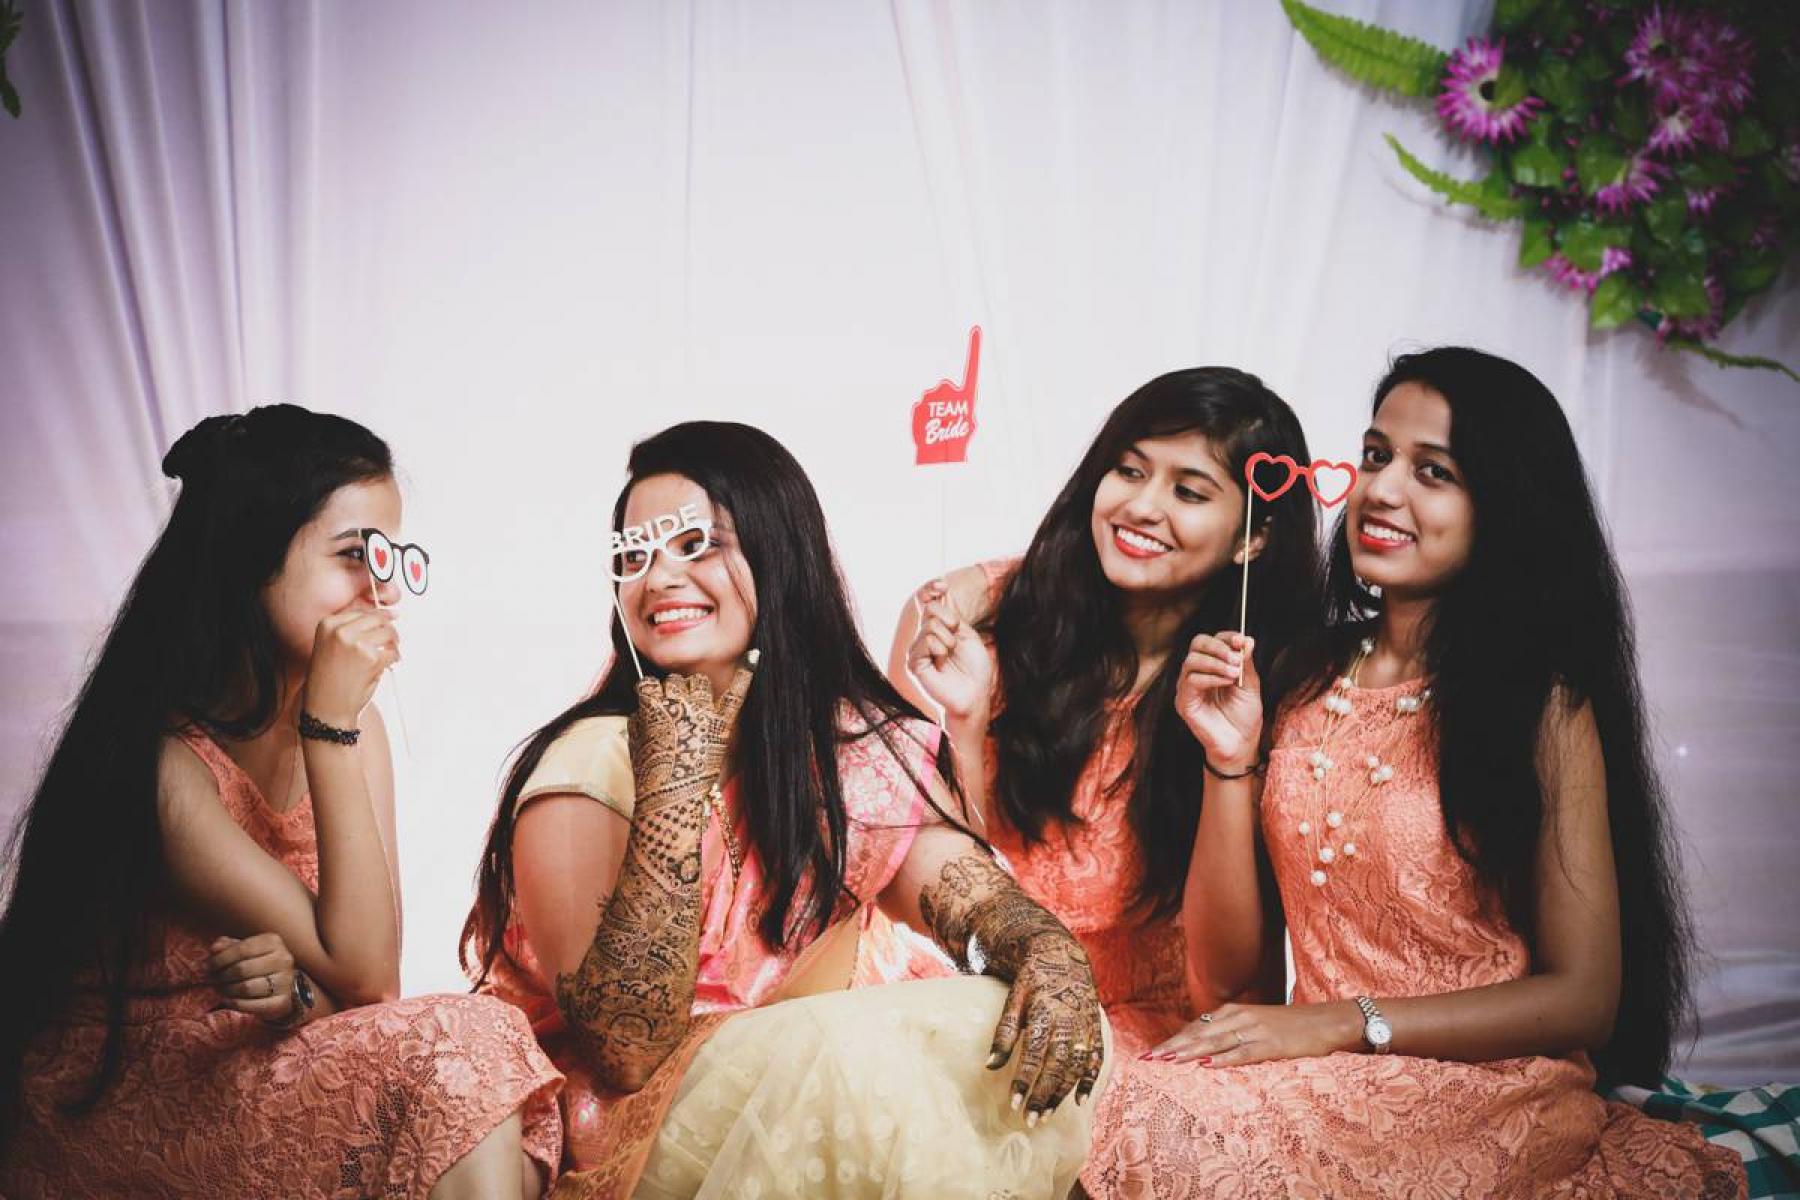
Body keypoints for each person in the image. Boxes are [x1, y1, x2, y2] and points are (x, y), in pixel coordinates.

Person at [1101, 348, 1745, 1196]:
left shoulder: (1539, 701)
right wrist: (1229, 763)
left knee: (1152, 1131)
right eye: (1376, 456)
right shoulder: (1298, 677)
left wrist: (1345, 1023)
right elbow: (1227, 985)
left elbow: (1585, 998)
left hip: (1490, 1088)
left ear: (1502, 504)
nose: (1382, 490)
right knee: (1111, 1108)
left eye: (1432, 471)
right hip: (1321, 1080)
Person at [463, 421, 1109, 1199]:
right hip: (634, 1134)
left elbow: (971, 905)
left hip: (818, 1103)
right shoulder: (589, 762)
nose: (658, 577)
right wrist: (673, 789)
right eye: (635, 556)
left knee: (988, 1022)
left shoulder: (845, 749)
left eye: (695, 544)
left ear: (779, 555)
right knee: (846, 1063)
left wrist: (1043, 948)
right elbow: (624, 1054)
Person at [0, 405, 562, 1199]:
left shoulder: (353, 726)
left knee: (485, 1059)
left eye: (391, 554)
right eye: (354, 554)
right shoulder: (163, 763)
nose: (381, 586)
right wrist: (328, 726)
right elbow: (367, 978)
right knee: (462, 1045)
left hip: (265, 1054)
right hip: (139, 1091)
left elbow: (364, 986)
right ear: (249, 563)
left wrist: (299, 995)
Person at [890, 367, 1321, 1195]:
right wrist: (968, 723)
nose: (1142, 507)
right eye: (1128, 470)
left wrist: (1226, 758)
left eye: (1189, 490)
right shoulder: (1003, 629)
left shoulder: (1273, 690)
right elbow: (939, 874)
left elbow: (1238, 985)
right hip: (964, 988)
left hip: (1139, 1034)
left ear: (1253, 537)